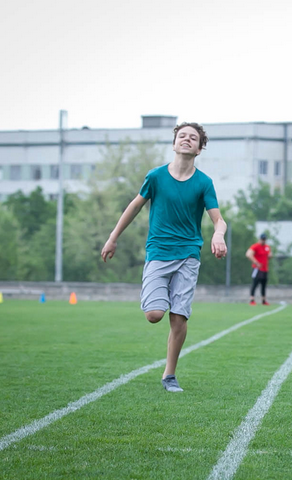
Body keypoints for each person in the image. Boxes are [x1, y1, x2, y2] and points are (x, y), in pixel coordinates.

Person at [101, 122, 227, 393]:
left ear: (199, 149)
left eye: (193, 138)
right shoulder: (156, 177)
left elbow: (219, 219)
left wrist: (218, 235)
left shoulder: (204, 183)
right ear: (174, 144)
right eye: (182, 136)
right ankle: (159, 294)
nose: (187, 139)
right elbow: (134, 206)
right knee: (154, 314)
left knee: (179, 317)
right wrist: (113, 238)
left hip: (188, 255)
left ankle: (169, 375)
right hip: (158, 253)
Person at [246, 233, 271, 306]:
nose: (263, 241)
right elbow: (248, 254)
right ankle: (252, 299)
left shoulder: (267, 247)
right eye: (262, 239)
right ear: (260, 239)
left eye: (264, 239)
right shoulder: (255, 246)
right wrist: (256, 262)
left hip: (265, 269)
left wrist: (270, 256)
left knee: (263, 284)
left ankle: (263, 300)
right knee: (255, 283)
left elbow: (269, 255)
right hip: (257, 269)